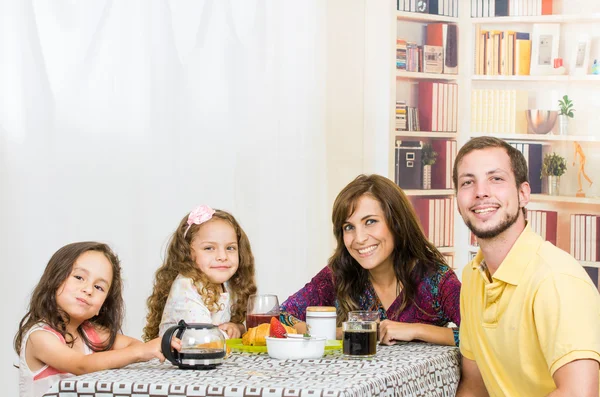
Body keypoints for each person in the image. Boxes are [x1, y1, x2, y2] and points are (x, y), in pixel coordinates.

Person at [454, 136, 600, 396]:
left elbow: (579, 393)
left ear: (523, 194)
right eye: (468, 182)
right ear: (457, 199)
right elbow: (474, 387)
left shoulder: (556, 279)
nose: (480, 192)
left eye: (496, 179)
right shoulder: (473, 277)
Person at [280, 174, 461, 346]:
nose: (359, 238)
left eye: (370, 222)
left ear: (396, 223)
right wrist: (337, 332)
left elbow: (481, 336)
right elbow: (278, 316)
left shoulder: (435, 280)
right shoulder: (338, 274)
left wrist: (416, 330)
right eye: (349, 227)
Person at [14, 242, 179, 397]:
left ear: (102, 305)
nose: (88, 289)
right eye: (79, 277)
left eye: (99, 287)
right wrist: (139, 352)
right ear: (54, 279)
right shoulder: (40, 337)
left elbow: (133, 345)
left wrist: (142, 350)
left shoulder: (91, 334)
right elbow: (81, 365)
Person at [143, 205, 256, 341]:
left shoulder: (226, 284)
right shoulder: (186, 286)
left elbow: (245, 325)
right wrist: (231, 335)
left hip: (206, 359)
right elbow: (203, 338)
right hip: (178, 361)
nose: (222, 256)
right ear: (187, 253)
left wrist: (238, 328)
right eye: (209, 248)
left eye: (230, 248)